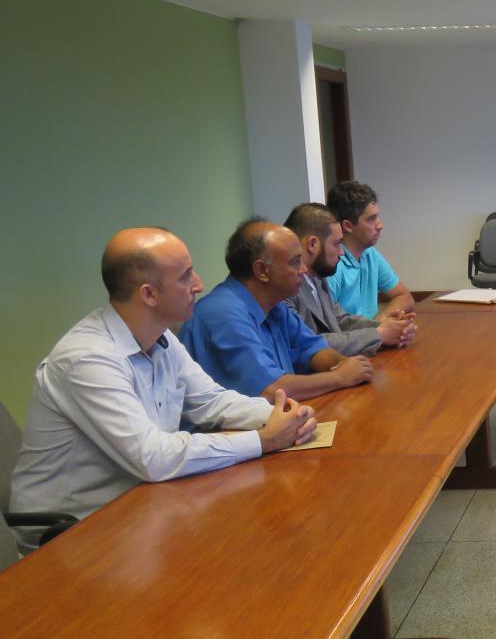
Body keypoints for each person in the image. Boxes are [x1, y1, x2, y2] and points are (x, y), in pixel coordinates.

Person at [8, 228, 316, 553]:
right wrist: (263, 440)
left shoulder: (161, 337)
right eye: (185, 277)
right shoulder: (87, 359)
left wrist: (283, 415)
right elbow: (153, 457)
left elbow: (212, 401)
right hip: (71, 534)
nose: (199, 284)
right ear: (149, 295)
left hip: (142, 507)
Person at [181, 218, 374, 400]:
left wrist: (345, 365)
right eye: (295, 262)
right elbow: (271, 390)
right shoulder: (223, 314)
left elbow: (312, 349)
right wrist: (339, 377)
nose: (304, 270)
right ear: (262, 271)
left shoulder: (275, 304)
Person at [283, 202, 416, 357]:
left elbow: (340, 319)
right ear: (313, 244)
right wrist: (379, 334)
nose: (341, 253)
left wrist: (388, 326)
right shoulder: (284, 289)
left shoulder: (318, 278)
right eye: (337, 244)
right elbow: (307, 344)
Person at [325, 180, 416, 318]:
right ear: (348, 226)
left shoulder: (369, 254)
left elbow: (405, 297)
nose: (380, 225)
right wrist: (378, 328)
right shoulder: (332, 266)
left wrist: (380, 322)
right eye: (371, 219)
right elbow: (326, 326)